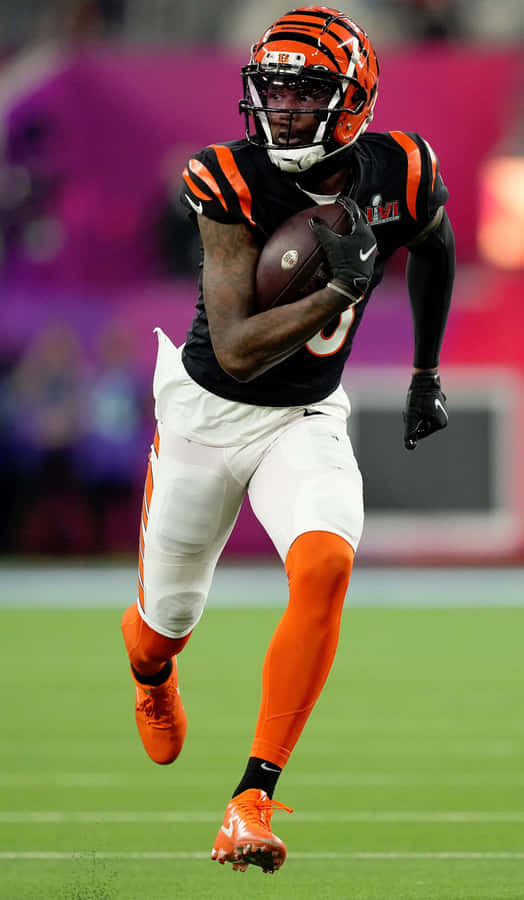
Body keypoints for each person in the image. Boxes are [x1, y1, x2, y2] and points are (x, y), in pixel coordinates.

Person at [121, 5, 455, 875]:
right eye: (273, 90)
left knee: (327, 564)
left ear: (352, 101)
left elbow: (439, 244)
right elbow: (234, 346)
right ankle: (152, 674)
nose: (284, 109)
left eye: (307, 92)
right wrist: (332, 294)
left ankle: (251, 798)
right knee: (166, 624)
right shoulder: (227, 177)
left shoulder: (402, 170)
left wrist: (425, 374)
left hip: (304, 416)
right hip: (207, 418)